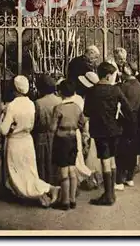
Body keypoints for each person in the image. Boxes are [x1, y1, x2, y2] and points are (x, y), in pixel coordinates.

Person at [0, 75, 60, 208]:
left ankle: (47, 189)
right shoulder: (31, 103)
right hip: (27, 140)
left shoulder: (12, 106)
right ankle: (41, 193)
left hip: (15, 142)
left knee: (17, 175)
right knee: (30, 171)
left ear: (14, 89)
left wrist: (2, 116)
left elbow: (3, 130)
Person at [84, 62, 133, 206]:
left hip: (100, 131)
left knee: (105, 160)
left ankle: (108, 195)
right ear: (107, 76)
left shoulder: (92, 91)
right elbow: (128, 110)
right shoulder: (116, 91)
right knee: (111, 159)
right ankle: (111, 193)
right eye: (113, 75)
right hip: (115, 130)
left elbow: (87, 112)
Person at [50, 80, 85, 210]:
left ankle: (64, 201)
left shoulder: (59, 108)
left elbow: (52, 127)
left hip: (62, 139)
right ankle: (72, 199)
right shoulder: (76, 107)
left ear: (60, 93)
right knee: (72, 168)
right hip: (73, 138)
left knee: (63, 170)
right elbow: (82, 123)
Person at [115, 68, 140, 189]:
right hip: (135, 118)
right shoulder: (139, 85)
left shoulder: (124, 86)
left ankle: (120, 179)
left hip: (124, 119)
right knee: (132, 148)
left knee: (121, 149)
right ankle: (130, 177)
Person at [33, 73, 62, 185]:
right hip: (57, 134)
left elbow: (35, 121)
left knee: (43, 163)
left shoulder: (38, 103)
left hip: (42, 136)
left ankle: (46, 185)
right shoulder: (59, 100)